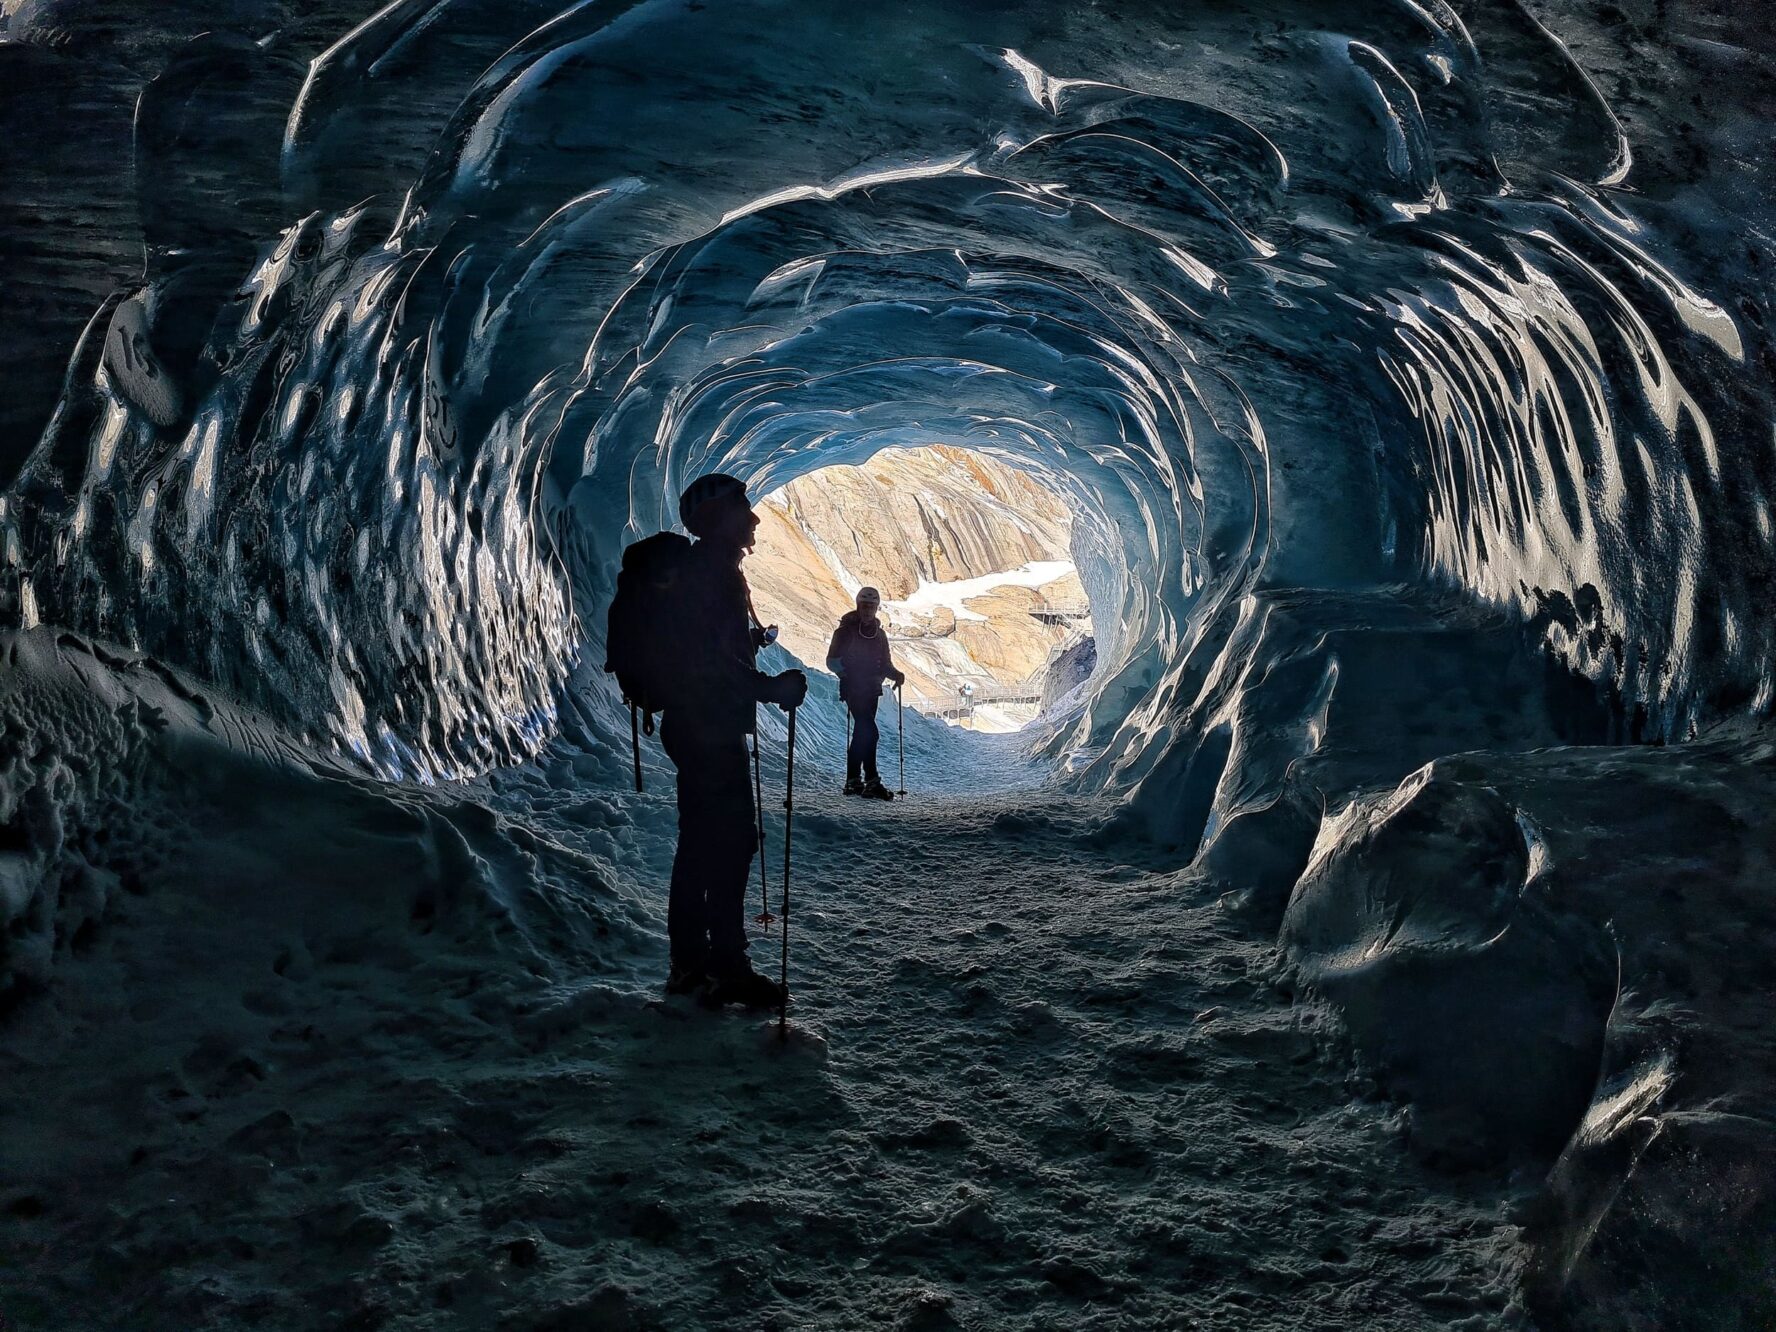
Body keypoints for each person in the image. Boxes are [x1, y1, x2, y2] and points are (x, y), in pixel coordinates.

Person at [665, 473, 807, 1005]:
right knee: (727, 845)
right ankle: (725, 964)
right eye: (741, 508)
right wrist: (773, 687)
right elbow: (713, 665)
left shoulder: (707, 573)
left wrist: (751, 644)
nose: (752, 517)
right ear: (716, 520)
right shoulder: (716, 577)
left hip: (696, 724)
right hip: (709, 728)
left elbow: (709, 650)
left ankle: (692, 962)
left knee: (702, 844)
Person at [825, 586, 906, 800]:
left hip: (871, 690)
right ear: (858, 606)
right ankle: (872, 781)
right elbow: (831, 661)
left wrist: (896, 674)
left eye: (872, 606)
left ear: (877, 608)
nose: (868, 610)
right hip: (854, 689)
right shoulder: (845, 631)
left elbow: (885, 664)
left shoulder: (879, 635)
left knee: (862, 734)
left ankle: (853, 781)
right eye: (865, 606)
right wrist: (846, 676)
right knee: (870, 733)